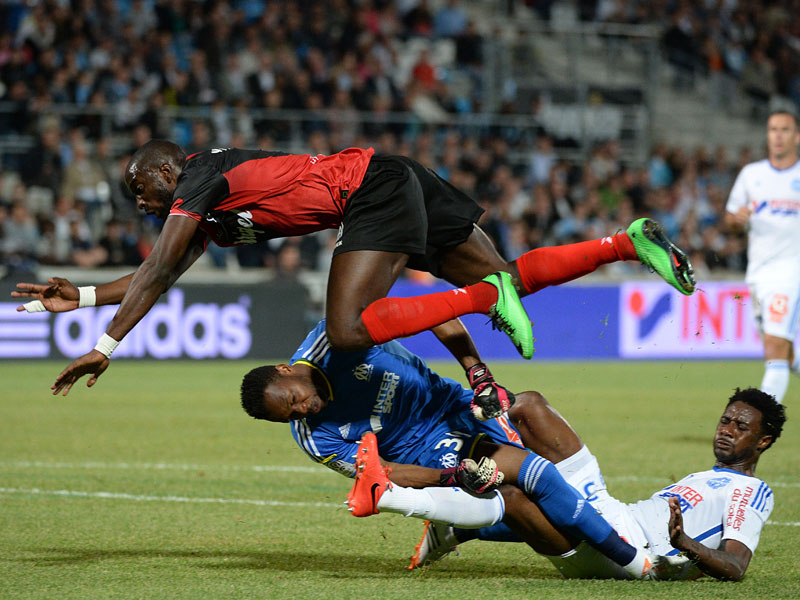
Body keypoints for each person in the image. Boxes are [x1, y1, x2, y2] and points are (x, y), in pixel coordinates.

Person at [13, 141, 695, 395]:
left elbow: (157, 271)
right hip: (397, 176)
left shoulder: (199, 179)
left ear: (165, 171)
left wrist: (105, 348)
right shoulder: (210, 210)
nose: (140, 203)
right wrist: (76, 301)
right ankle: (627, 243)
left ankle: (480, 296)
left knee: (346, 329)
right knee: (513, 277)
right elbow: (152, 276)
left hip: (371, 187)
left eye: (140, 190)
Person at [239, 318, 691, 580]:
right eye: (293, 415)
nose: (305, 409)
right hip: (427, 457)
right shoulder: (314, 436)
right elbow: (384, 473)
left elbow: (434, 312)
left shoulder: (336, 337)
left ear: (287, 369)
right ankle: (636, 563)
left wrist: (478, 374)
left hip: (452, 402)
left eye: (295, 399)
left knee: (530, 406)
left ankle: (466, 527)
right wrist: (453, 479)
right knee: (519, 489)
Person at [409, 385, 784, 582]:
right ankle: (455, 519)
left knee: (515, 491)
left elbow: (736, 566)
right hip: (612, 514)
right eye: (724, 421)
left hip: (630, 553)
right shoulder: (707, 476)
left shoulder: (751, 491)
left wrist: (683, 543)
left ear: (763, 441)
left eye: (741, 427)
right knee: (529, 407)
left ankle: (415, 475)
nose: (726, 431)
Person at [725, 110, 800, 404]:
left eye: (784, 129)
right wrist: (737, 219)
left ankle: (759, 425)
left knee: (774, 346)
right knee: (785, 353)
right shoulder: (751, 175)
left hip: (791, 272)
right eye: (772, 129)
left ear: (796, 136)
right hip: (758, 274)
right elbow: (730, 220)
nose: (778, 135)